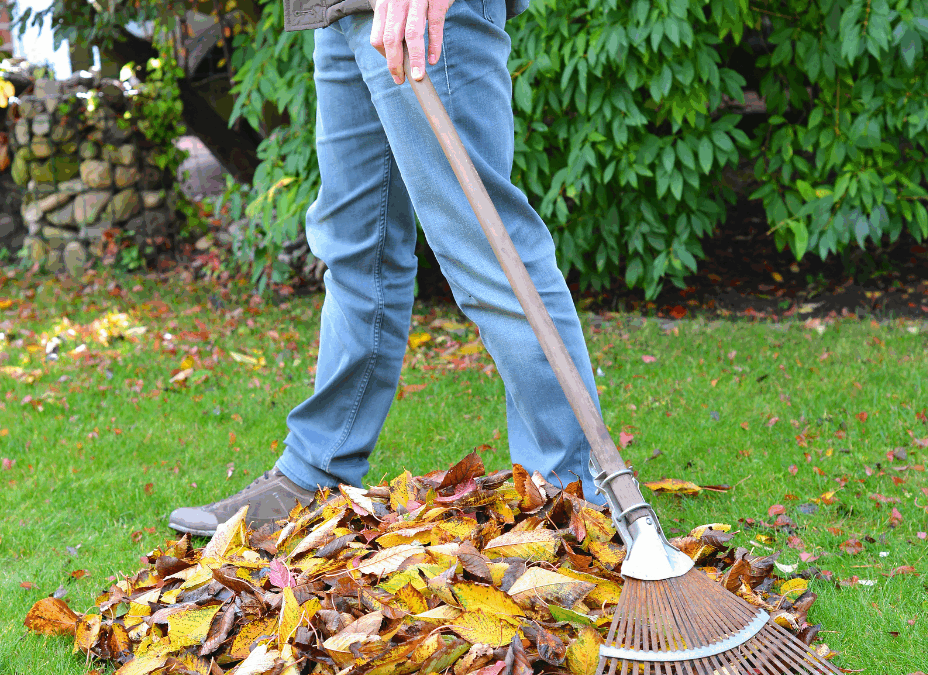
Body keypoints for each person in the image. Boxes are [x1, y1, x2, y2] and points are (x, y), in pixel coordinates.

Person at [168, 0, 605, 537]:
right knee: (355, 249)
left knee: (488, 248)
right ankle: (314, 471)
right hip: (339, 10)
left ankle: (569, 496)